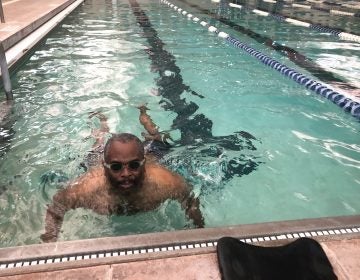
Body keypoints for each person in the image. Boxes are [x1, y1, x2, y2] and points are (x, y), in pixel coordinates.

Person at [41, 108, 204, 242]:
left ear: (144, 164)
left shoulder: (166, 182)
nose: (126, 174)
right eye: (116, 167)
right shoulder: (86, 188)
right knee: (98, 146)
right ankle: (102, 128)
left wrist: (199, 233)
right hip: (101, 158)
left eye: (134, 165)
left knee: (155, 137)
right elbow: (56, 207)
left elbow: (189, 199)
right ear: (104, 167)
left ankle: (144, 115)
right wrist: (50, 241)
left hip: (153, 154)